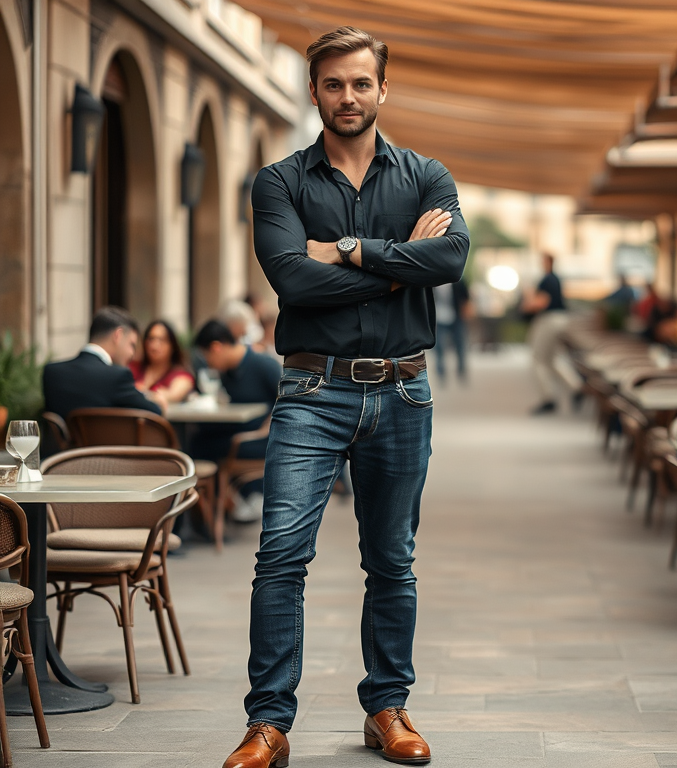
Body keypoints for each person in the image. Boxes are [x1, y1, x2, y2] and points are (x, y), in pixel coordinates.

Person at [221, 26, 469, 768]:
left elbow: (451, 257)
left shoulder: (428, 176)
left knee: (391, 559)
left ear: (383, 89)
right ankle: (268, 724)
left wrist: (354, 251)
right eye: (334, 84)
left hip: (403, 391)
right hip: (310, 389)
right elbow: (293, 280)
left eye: (362, 83)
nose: (348, 96)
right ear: (314, 91)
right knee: (280, 556)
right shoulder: (280, 182)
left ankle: (387, 709)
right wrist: (403, 266)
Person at [191, 320, 280, 522]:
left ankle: (230, 502)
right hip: (237, 432)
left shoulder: (263, 364)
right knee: (198, 439)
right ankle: (217, 506)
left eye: (207, 357)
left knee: (200, 446)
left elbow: (288, 398)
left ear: (216, 347)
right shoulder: (227, 373)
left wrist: (267, 428)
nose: (209, 363)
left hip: (262, 439)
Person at [43, 306, 165, 421]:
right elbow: (154, 413)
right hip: (110, 444)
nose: (132, 353)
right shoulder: (118, 376)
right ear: (118, 335)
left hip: (67, 444)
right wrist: (158, 402)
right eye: (131, 345)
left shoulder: (52, 373)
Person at [521, 252, 569, 414]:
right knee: (553, 358)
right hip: (561, 319)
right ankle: (578, 388)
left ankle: (548, 397)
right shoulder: (556, 279)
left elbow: (541, 302)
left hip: (549, 319)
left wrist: (528, 300)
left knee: (538, 359)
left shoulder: (547, 279)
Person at [130, 320, 195, 404]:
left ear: (172, 345)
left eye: (162, 340)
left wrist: (139, 391)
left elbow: (173, 396)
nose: (155, 345)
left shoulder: (181, 375)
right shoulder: (133, 368)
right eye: (151, 339)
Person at [431, 279, 470, 384]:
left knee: (460, 345)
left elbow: (466, 298)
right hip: (439, 318)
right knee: (439, 347)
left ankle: (461, 371)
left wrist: (465, 314)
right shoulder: (432, 281)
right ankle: (440, 372)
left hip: (456, 317)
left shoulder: (458, 281)